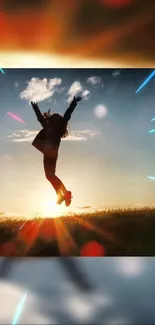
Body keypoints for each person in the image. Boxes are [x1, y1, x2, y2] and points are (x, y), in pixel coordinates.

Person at [31, 96, 82, 207]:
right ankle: (61, 195)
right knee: (50, 176)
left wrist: (73, 103)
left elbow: (67, 115)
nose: (56, 118)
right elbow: (41, 118)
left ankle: (63, 193)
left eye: (57, 117)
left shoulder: (57, 127)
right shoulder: (49, 126)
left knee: (50, 176)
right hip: (50, 153)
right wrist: (35, 108)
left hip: (50, 153)